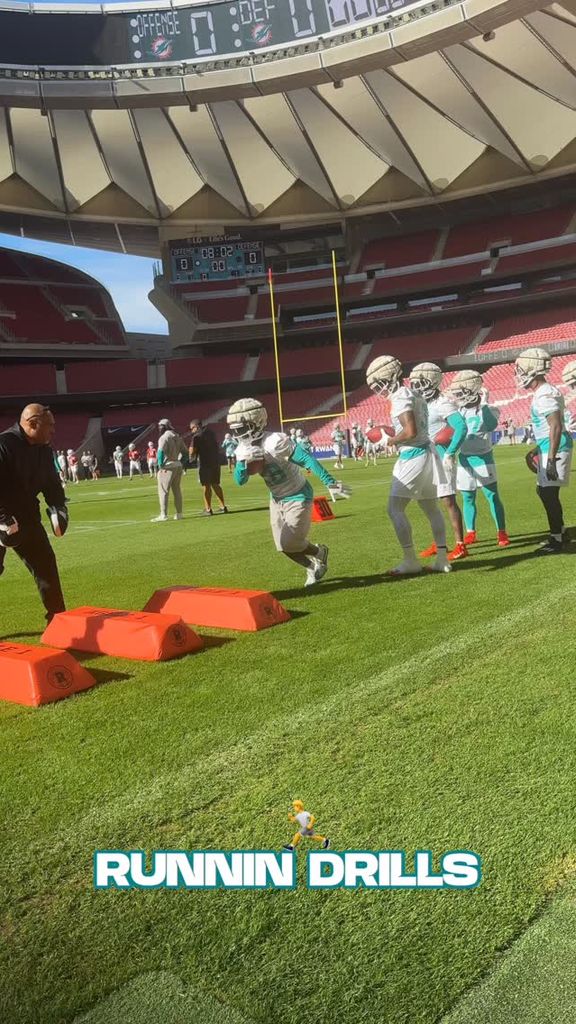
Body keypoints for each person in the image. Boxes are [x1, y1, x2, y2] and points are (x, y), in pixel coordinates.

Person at [227, 397, 350, 587]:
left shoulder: (274, 441)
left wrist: (329, 481)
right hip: (276, 498)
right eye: (235, 429)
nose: (238, 434)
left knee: (289, 542)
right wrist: (243, 464)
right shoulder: (243, 448)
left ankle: (319, 552)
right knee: (281, 546)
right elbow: (239, 481)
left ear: (256, 422)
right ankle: (312, 565)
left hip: (297, 493)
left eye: (241, 429)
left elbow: (306, 459)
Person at [366, 354, 451, 575]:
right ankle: (442, 559)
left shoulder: (400, 396)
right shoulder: (414, 393)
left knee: (394, 509)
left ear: (393, 377)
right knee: (431, 508)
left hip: (412, 456)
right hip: (426, 454)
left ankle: (410, 560)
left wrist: (389, 440)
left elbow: (410, 431)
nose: (379, 389)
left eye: (380, 383)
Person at [0, 404, 67, 622]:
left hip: (27, 517)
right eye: (49, 426)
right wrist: (2, 518)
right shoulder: (4, 445)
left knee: (45, 565)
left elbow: (52, 483)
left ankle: (58, 620)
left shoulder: (44, 450)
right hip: (3, 517)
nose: (53, 430)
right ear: (32, 424)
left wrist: (59, 506)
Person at [513, 349, 573, 554]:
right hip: (549, 446)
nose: (519, 374)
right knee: (544, 492)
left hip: (555, 448)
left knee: (549, 493)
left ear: (532, 370)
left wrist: (550, 460)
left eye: (522, 370)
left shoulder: (545, 393)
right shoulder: (543, 392)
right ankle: (561, 532)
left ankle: (557, 539)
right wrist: (538, 449)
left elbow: (555, 426)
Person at [408, 362, 469, 562]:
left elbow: (461, 427)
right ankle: (439, 542)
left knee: (448, 501)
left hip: (442, 458)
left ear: (432, 382)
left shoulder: (444, 402)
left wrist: (451, 453)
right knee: (429, 503)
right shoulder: (422, 404)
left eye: (421, 382)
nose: (417, 386)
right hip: (426, 458)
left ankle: (460, 545)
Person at [446, 370, 509, 548]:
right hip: (465, 459)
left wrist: (485, 403)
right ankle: (471, 532)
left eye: (461, 392)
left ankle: (501, 532)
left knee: (492, 496)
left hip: (483, 458)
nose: (458, 396)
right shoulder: (458, 411)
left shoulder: (487, 409)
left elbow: (491, 424)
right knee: (467, 497)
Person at [152, 418, 188, 522]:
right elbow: (185, 453)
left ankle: (163, 515)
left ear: (163, 426)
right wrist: (181, 462)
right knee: (177, 491)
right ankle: (179, 513)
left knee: (163, 491)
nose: (159, 428)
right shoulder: (177, 436)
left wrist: (160, 465)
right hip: (177, 465)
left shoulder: (164, 437)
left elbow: (160, 452)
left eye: (160, 426)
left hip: (168, 466)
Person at [189, 418, 228, 516]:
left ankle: (208, 509)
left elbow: (192, 451)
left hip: (204, 463)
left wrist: (190, 454)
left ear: (196, 427)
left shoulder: (196, 436)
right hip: (215, 461)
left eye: (192, 428)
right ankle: (223, 506)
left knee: (206, 486)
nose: (191, 431)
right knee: (216, 484)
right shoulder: (211, 433)